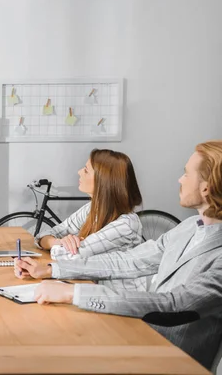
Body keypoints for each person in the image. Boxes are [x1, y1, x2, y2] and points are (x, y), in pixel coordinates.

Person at [14, 141, 222, 369]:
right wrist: (52, 270)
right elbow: (129, 261)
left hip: (170, 362)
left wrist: (72, 293)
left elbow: (174, 305)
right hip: (141, 337)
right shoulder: (190, 226)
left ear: (206, 187)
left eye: (185, 174)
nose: (179, 180)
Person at [34, 149, 146, 290]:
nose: (79, 172)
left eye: (86, 170)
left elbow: (69, 257)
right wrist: (59, 241)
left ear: (104, 181)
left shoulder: (126, 225)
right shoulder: (93, 208)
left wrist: (62, 246)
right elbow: (41, 236)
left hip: (119, 301)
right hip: (92, 291)